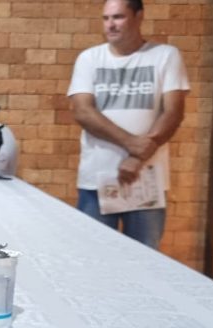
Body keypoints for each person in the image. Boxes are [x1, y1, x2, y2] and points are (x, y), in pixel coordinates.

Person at [67, 0, 189, 249]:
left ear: (139, 16)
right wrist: (133, 145)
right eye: (106, 18)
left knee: (146, 260)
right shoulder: (89, 58)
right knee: (93, 257)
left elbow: (173, 112)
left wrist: (138, 158)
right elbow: (82, 111)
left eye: (118, 17)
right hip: (96, 180)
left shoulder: (165, 55)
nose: (110, 25)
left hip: (146, 181)